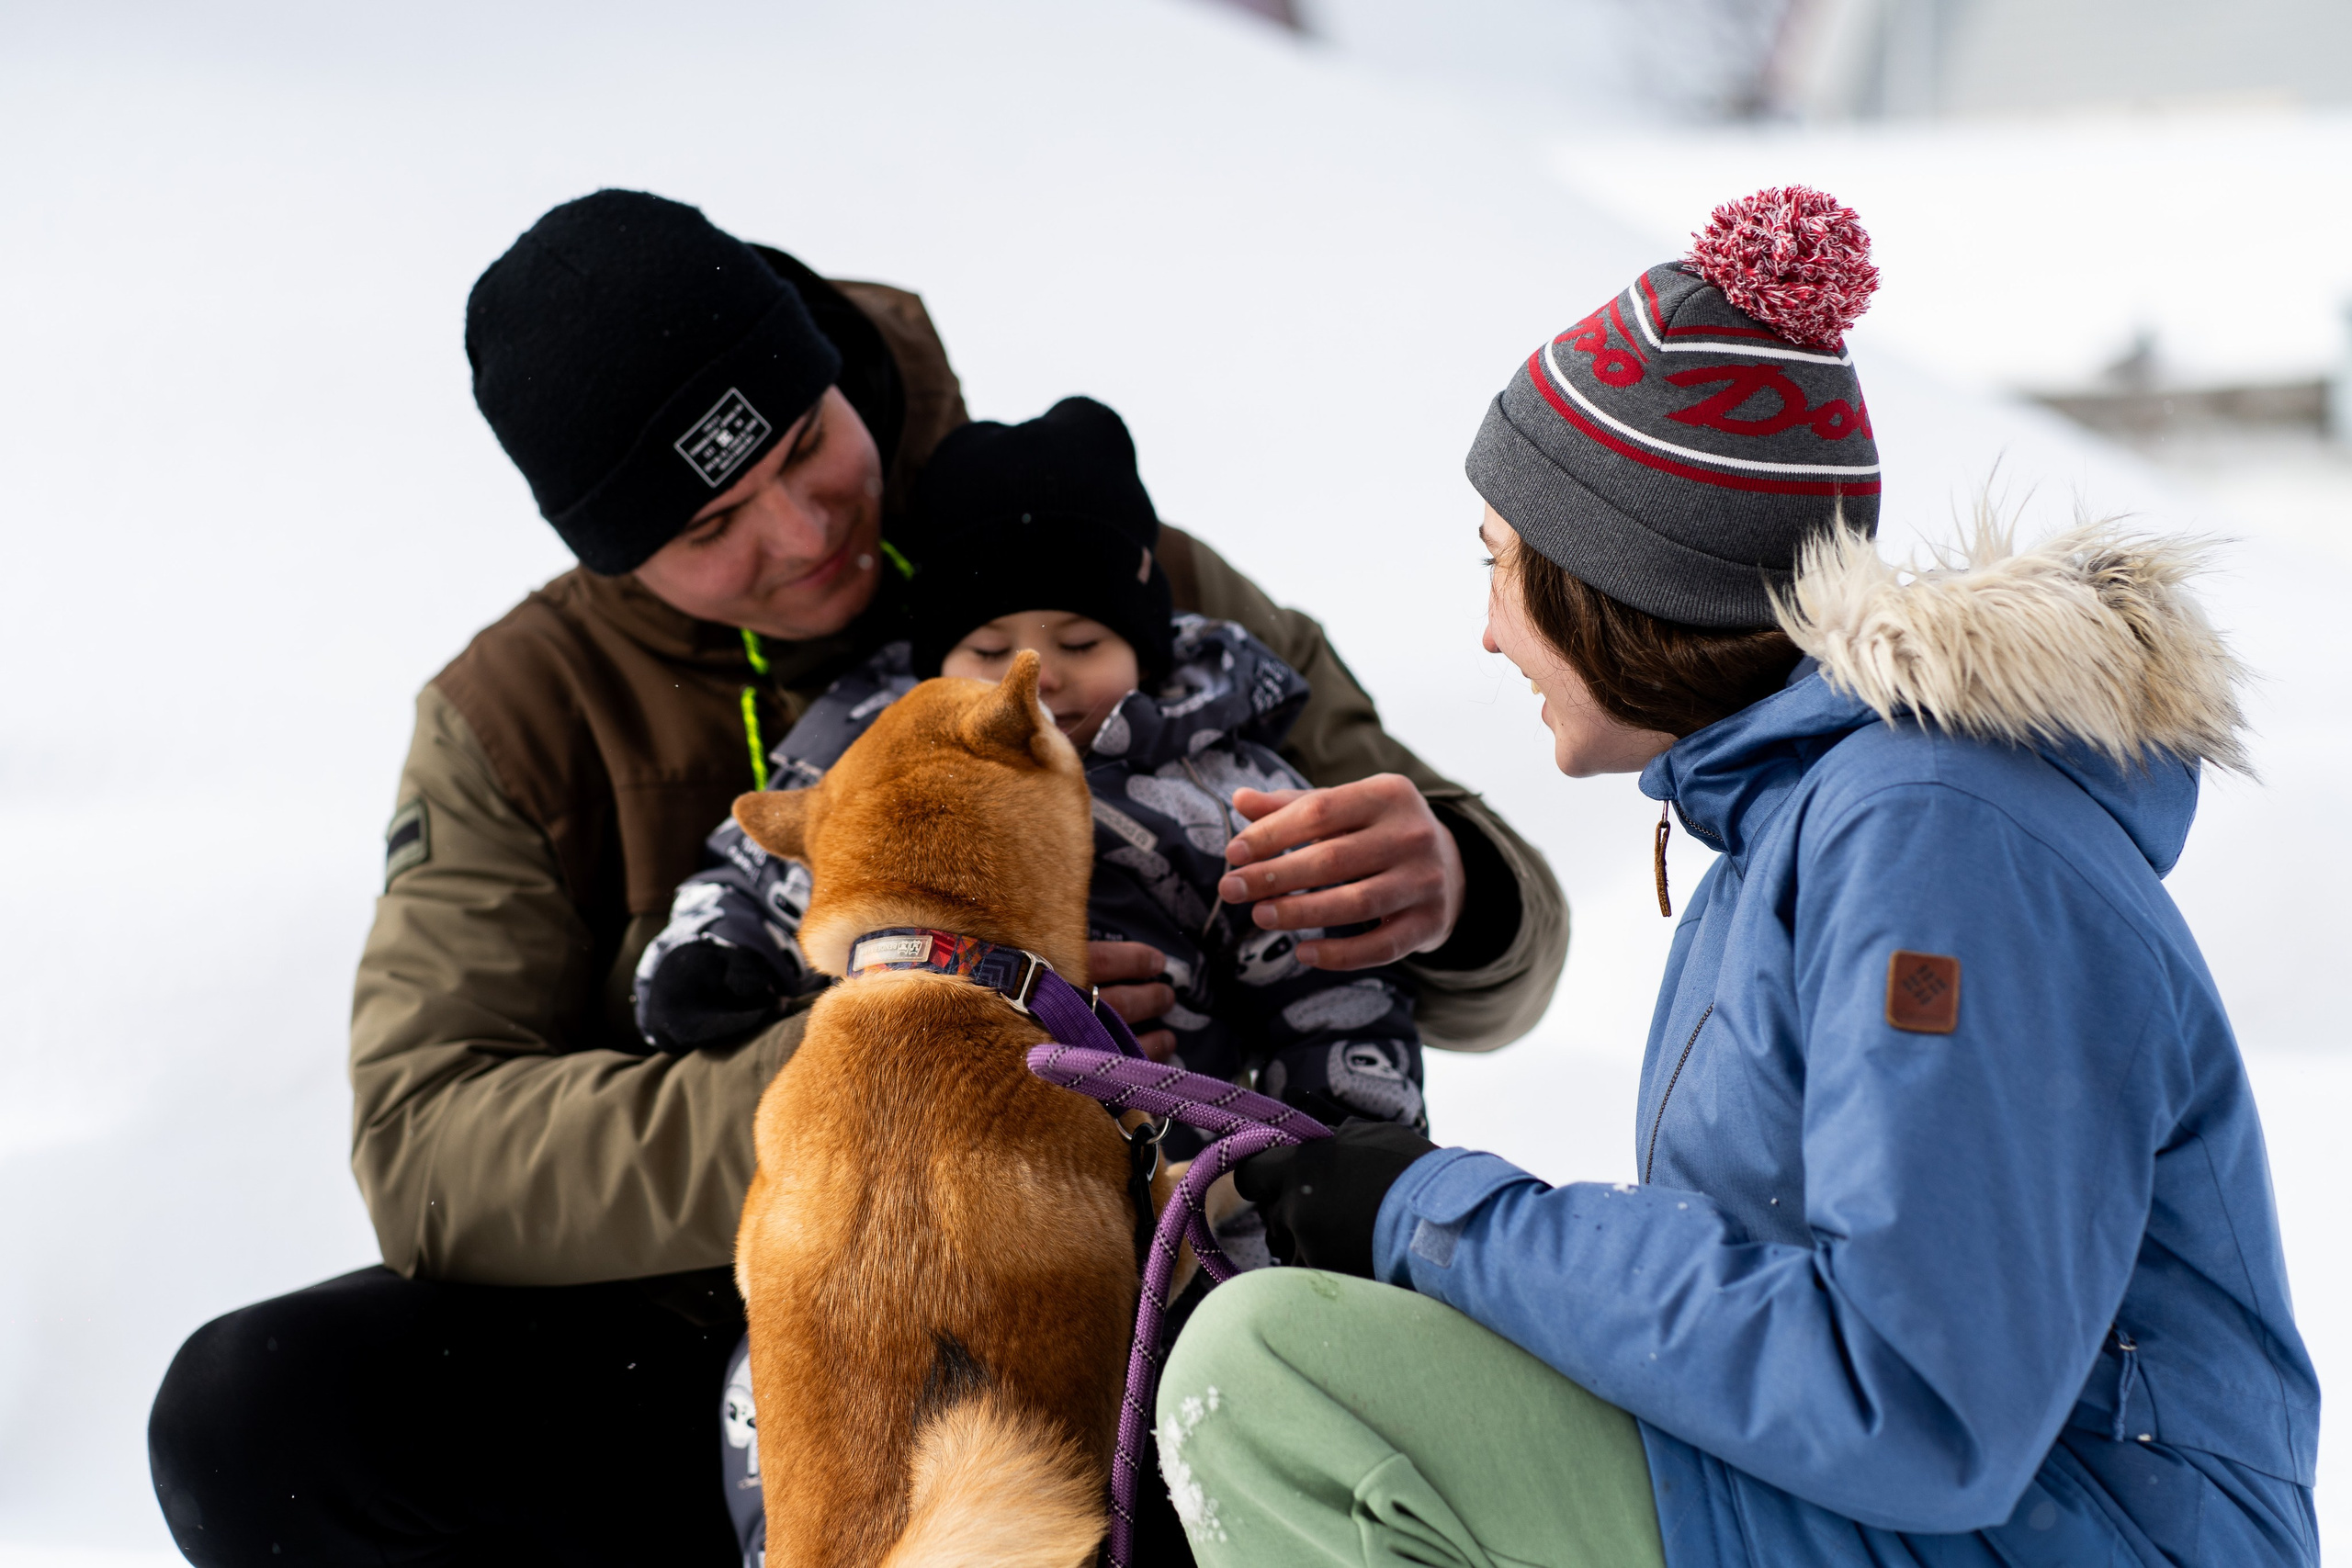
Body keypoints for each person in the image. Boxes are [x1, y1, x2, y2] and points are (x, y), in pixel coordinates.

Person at [145, 189, 1566, 1566]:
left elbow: (1477, 912)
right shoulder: (523, 712)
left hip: (1128, 1288)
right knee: (255, 1413)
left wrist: (1455, 881)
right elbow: (431, 1145)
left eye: (805, 447)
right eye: (710, 530)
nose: (803, 530)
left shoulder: (1064, 539)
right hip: (739, 1327)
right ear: (614, 557)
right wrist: (888, 1067)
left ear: (833, 373)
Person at [1160, 186, 2321, 1568]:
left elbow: (1919, 1394)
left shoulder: (1939, 836)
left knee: (1285, 1377)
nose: (1482, 631)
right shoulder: (1815, 824)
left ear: (1620, 576)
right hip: (1955, 1521)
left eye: (1501, 566)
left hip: (2081, 1533)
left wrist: (1432, 1213)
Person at [652, 392, 1431, 1567]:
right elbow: (768, 852)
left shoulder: (1221, 787)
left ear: (1148, 637)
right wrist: (706, 948)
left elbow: (1318, 978)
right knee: (790, 1371)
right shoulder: (873, 745)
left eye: (1081, 641)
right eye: (989, 647)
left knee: (1193, 1405)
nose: (1043, 676)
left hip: (1174, 1194)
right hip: (907, 1170)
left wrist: (1341, 1155)